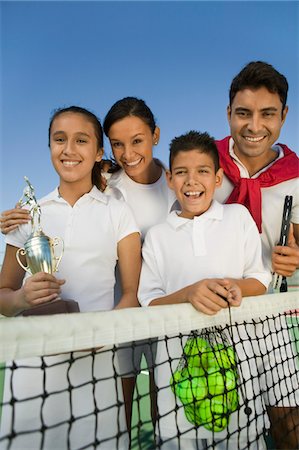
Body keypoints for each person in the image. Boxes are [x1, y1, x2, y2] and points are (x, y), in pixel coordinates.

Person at [0, 106, 141, 449]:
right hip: (34, 363)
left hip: (96, 363)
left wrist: (101, 337)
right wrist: (22, 298)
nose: (68, 149)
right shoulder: (28, 214)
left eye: (81, 140)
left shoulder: (118, 212)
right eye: (59, 139)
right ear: (49, 147)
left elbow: (131, 295)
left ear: (97, 152)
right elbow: (3, 295)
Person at [138, 130, 281, 449]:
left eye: (202, 171)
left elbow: (259, 279)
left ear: (217, 178)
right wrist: (189, 293)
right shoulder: (157, 236)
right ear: (170, 180)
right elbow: (149, 302)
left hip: (238, 373)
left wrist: (232, 288)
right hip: (177, 379)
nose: (192, 181)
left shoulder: (238, 217)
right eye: (182, 173)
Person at [213, 61, 299, 448]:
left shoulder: (297, 176)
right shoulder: (203, 164)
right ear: (228, 113)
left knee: (289, 423)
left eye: (267, 114)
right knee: (227, 432)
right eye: (243, 113)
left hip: (271, 315)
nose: (254, 126)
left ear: (283, 116)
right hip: (212, 314)